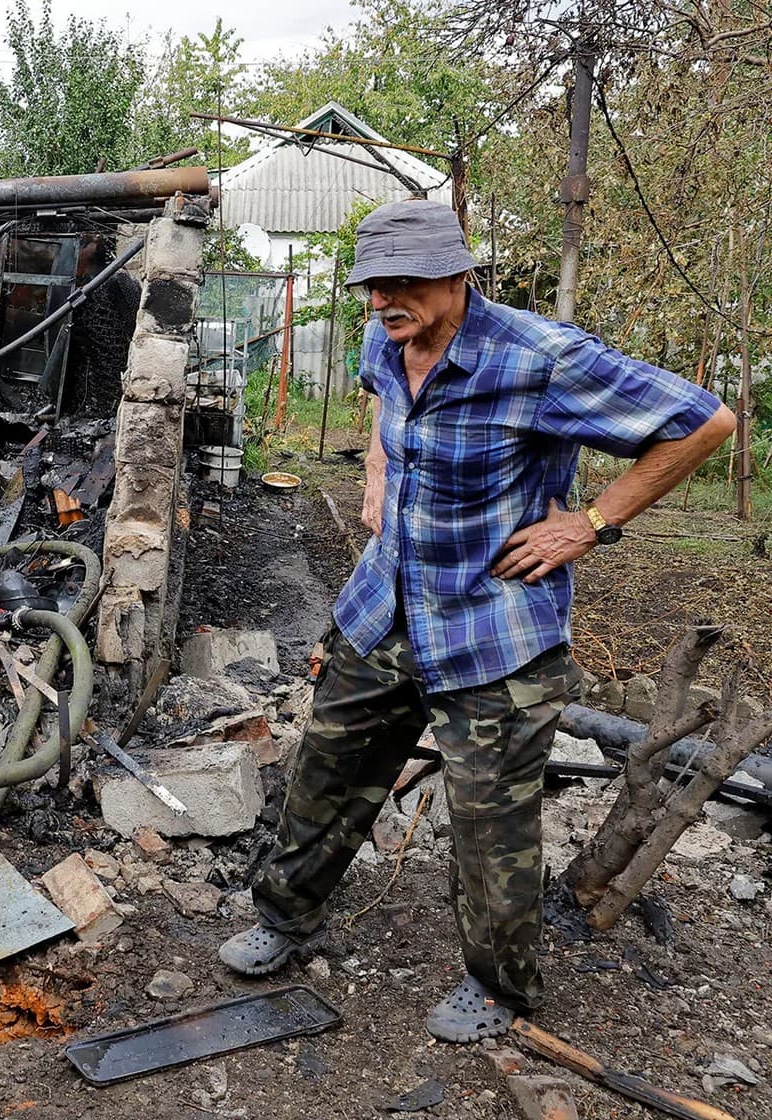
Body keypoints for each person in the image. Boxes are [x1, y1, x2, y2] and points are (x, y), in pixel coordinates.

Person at [216, 199, 737, 1042]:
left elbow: (704, 422)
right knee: (325, 777)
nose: (388, 299)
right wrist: (380, 470)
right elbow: (382, 399)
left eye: (408, 282)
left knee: (492, 830)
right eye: (375, 283)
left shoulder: (537, 358)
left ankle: (499, 987)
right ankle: (286, 918)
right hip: (384, 611)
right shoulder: (385, 337)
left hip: (492, 632)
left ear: (461, 275)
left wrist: (593, 523)